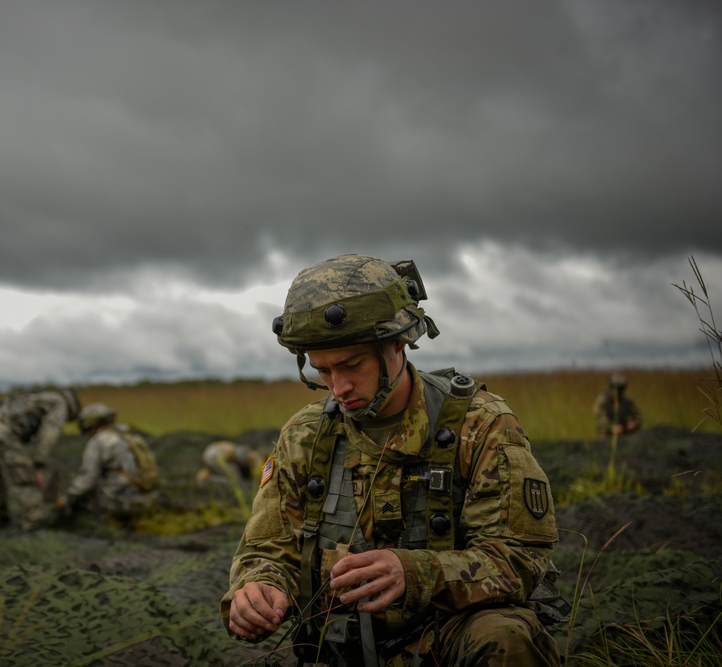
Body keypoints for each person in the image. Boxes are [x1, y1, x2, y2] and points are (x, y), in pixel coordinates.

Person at [221, 254, 565, 667]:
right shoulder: (305, 436)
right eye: (322, 371)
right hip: (338, 645)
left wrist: (416, 572)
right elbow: (267, 549)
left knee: (505, 637)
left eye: (352, 365)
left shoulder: (481, 425)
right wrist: (260, 589)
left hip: (446, 636)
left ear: (397, 343)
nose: (339, 387)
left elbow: (519, 559)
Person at [0, 388, 80, 531]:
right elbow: (49, 434)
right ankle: (33, 526)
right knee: (24, 481)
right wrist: (38, 464)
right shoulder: (59, 403)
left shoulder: (33, 397)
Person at [56, 402, 158, 526]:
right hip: (146, 499)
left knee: (81, 496)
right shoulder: (130, 435)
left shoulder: (99, 441)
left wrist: (66, 498)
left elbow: (88, 477)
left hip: (122, 502)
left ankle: (98, 525)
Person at [593, 372, 642, 438]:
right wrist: (611, 428)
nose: (618, 392)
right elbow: (601, 420)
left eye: (621, 389)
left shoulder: (628, 401)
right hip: (608, 436)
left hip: (627, 435)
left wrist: (634, 424)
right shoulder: (602, 401)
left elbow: (638, 415)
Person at [196, 440, 264, 484]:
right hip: (216, 455)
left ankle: (209, 477)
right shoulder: (246, 453)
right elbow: (250, 458)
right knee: (235, 479)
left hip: (209, 453)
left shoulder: (239, 449)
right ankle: (209, 479)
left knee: (231, 476)